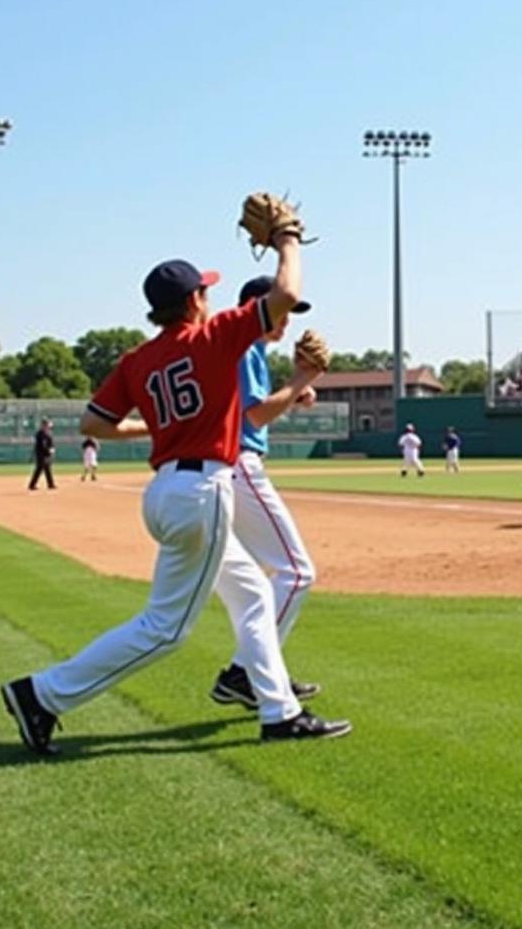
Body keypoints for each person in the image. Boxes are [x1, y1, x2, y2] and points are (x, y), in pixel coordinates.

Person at [1, 229, 351, 756]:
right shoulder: (213, 338)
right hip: (201, 492)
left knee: (254, 595)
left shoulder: (137, 360)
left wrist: (154, 430)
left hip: (166, 491)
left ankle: (280, 713)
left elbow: (95, 423)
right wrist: (289, 241)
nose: (210, 299)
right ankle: (42, 695)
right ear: (192, 301)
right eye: (205, 292)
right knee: (165, 630)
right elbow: (281, 294)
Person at [209, 275, 326, 714]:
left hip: (227, 466)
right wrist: (299, 381)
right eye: (282, 311)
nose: (287, 323)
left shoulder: (246, 349)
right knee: (296, 574)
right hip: (239, 464)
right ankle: (244, 671)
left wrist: (295, 393)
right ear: (258, 305)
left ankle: (263, 671)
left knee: (261, 586)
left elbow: (252, 408)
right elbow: (254, 417)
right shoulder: (244, 349)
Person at [28, 418, 56, 490]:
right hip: (40, 454)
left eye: (48, 426)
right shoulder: (40, 434)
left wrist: (52, 449)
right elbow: (42, 445)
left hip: (46, 454)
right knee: (39, 468)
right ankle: (32, 485)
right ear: (43, 425)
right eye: (46, 425)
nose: (48, 427)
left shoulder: (48, 434)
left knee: (47, 468)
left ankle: (50, 484)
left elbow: (51, 443)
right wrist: (48, 451)